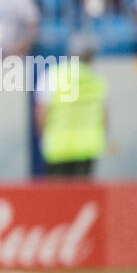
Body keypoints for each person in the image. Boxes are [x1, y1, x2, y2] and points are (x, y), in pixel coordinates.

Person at [35, 33, 107, 176]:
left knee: (59, 196)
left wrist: (44, 138)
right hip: (88, 147)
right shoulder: (96, 79)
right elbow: (104, 116)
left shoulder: (53, 75)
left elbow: (41, 114)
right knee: (83, 196)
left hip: (58, 147)